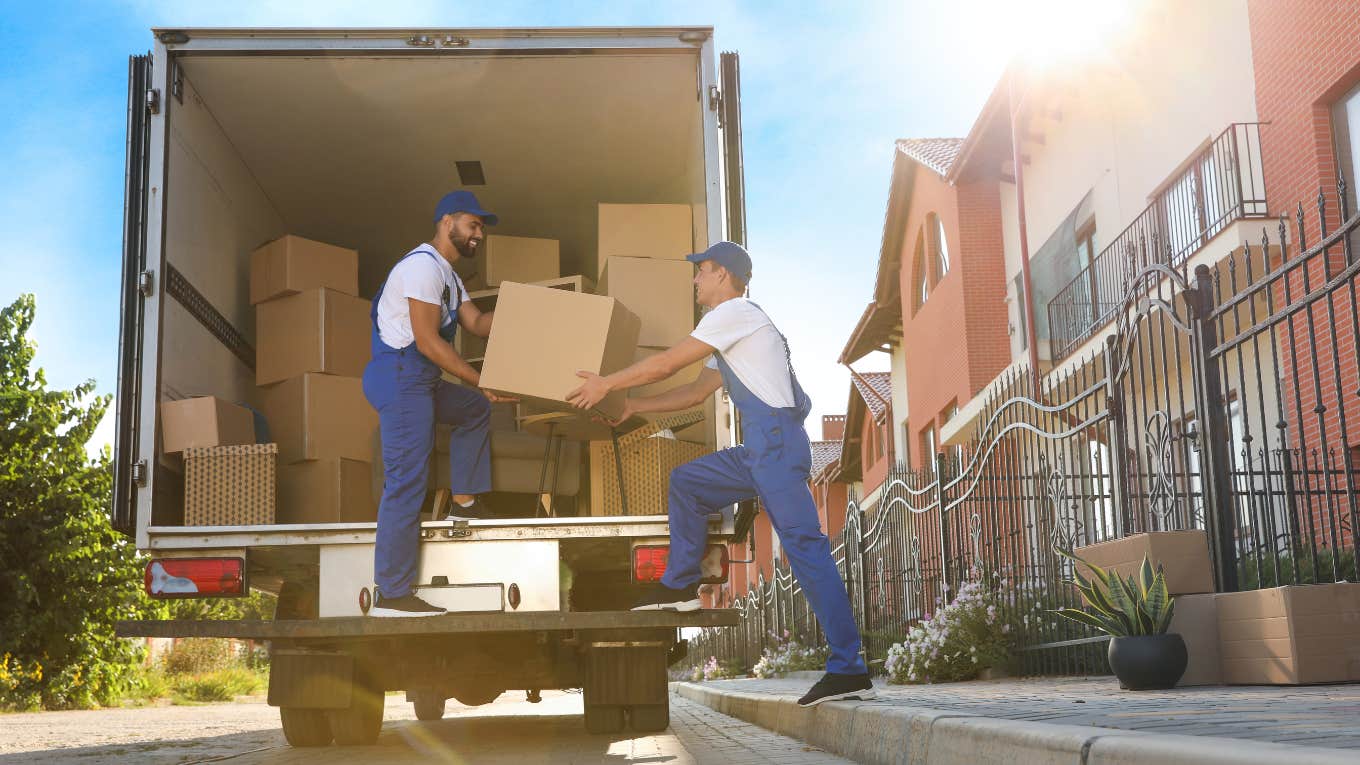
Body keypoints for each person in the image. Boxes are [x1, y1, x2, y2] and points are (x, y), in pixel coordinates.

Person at [566, 241, 875, 706]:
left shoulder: (737, 313)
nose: (696, 280)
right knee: (688, 483)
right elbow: (694, 392)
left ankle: (848, 667)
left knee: (807, 551)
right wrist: (632, 406)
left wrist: (606, 383)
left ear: (725, 276)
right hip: (758, 450)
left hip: (774, 446)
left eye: (702, 271)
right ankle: (681, 586)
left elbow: (669, 363)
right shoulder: (730, 331)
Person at [362, 190, 512, 618]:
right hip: (401, 377)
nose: (478, 234)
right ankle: (392, 592)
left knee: (474, 410)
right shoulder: (421, 268)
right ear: (447, 221)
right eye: (473, 224)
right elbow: (427, 342)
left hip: (420, 380)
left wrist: (527, 311)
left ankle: (465, 501)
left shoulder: (449, 276)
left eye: (481, 227)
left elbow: (478, 323)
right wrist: (478, 379)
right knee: (407, 480)